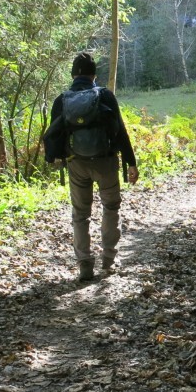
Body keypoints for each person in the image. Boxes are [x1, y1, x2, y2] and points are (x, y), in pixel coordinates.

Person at [44, 52, 139, 281]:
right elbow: (120, 131)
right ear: (93, 74)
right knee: (110, 208)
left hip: (76, 163)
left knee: (80, 215)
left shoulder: (62, 100)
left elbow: (54, 135)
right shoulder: (104, 95)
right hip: (106, 161)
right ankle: (108, 261)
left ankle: (85, 263)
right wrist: (131, 163)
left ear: (73, 74)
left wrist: (54, 158)